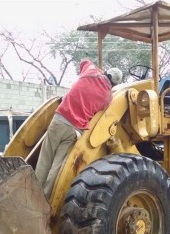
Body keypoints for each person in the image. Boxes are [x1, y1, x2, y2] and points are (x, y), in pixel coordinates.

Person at [34, 60, 123, 199]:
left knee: (45, 159)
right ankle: (45, 197)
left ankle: (34, 194)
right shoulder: (108, 97)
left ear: (106, 72)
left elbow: (83, 62)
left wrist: (98, 70)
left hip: (59, 121)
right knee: (57, 167)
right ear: (114, 84)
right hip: (74, 131)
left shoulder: (91, 71)